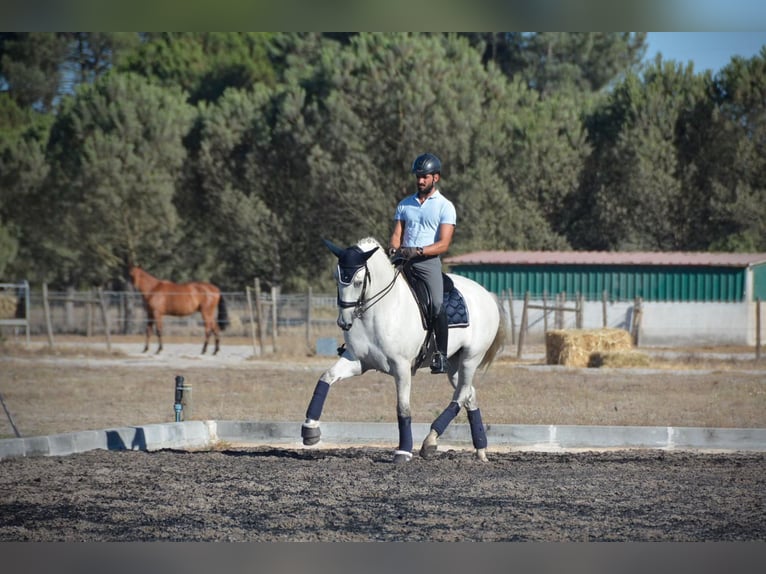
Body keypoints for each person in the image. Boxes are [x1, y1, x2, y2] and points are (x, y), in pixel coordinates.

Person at [388, 152, 456, 374]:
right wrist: (394, 249)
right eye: (418, 176)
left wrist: (418, 250)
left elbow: (443, 244)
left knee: (436, 304)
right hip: (403, 260)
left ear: (435, 177)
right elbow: (397, 234)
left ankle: (441, 355)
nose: (420, 180)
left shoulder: (445, 207)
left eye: (424, 176)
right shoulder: (404, 204)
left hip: (428, 263)